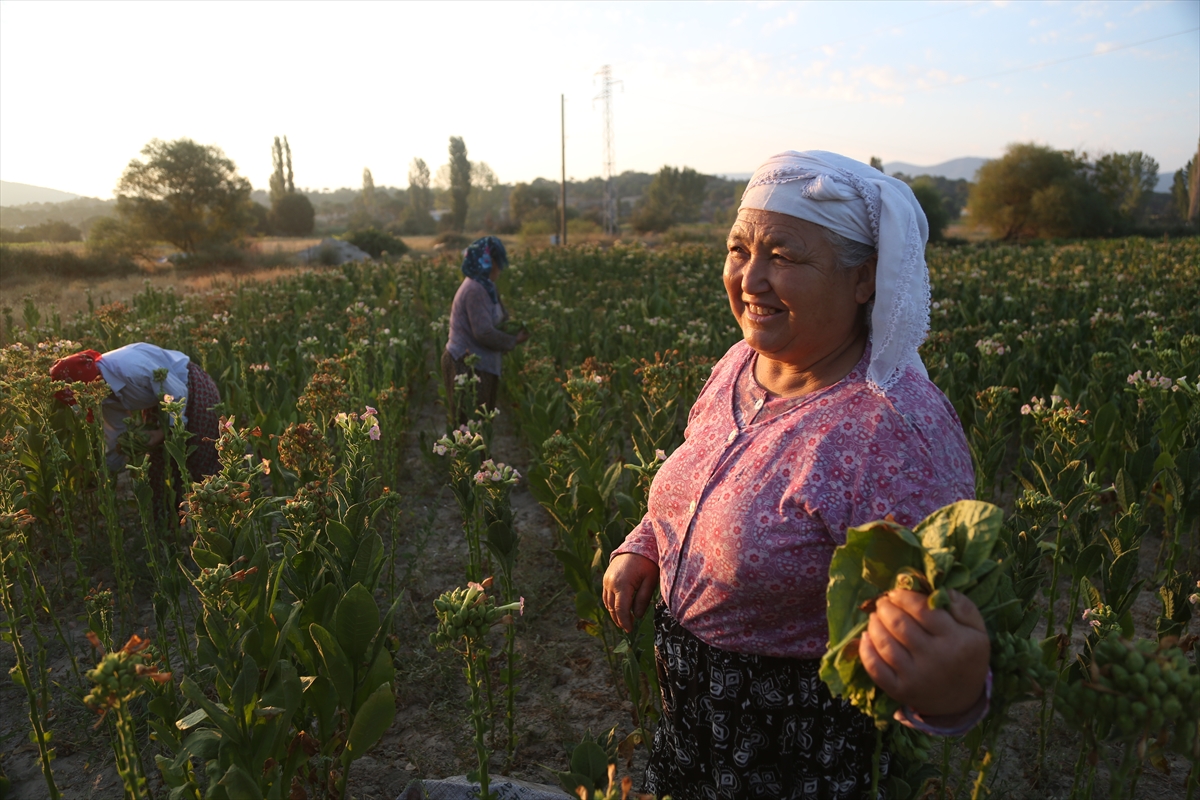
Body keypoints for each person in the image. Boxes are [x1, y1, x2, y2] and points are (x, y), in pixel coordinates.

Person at [602, 151, 990, 799]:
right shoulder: (738, 364)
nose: (750, 278)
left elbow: (938, 639)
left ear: (865, 278)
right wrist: (644, 545)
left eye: (784, 255)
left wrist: (951, 695)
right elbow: (701, 473)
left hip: (796, 745)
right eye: (738, 250)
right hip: (696, 715)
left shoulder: (891, 429)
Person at [50, 342, 221, 484]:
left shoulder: (131, 368)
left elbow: (177, 393)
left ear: (91, 381)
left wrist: (163, 432)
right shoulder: (101, 394)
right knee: (158, 469)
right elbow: (116, 432)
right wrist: (106, 474)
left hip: (187, 386)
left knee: (201, 453)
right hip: (159, 399)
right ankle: (166, 521)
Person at [442, 236, 529, 424]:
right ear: (488, 262)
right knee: (470, 427)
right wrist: (513, 340)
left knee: (482, 425)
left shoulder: (487, 286)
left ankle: (484, 455)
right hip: (466, 365)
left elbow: (501, 316)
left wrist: (514, 328)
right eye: (498, 262)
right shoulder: (475, 289)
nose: (500, 268)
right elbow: (483, 332)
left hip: (482, 364)